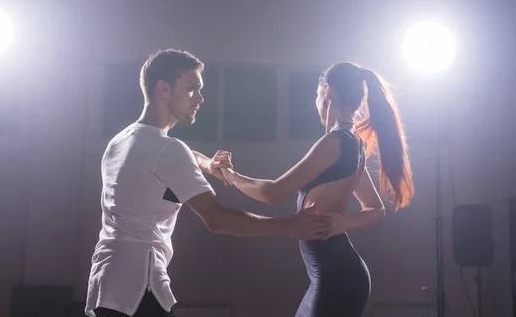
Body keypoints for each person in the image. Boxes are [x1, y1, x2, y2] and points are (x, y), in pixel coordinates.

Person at [85, 49, 331, 317]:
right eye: (192, 89)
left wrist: (207, 165)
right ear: (164, 89)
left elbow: (180, 154)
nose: (200, 98)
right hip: (138, 288)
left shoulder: (121, 141)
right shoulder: (167, 150)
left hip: (105, 285)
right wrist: (289, 225)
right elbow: (218, 219)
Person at [222, 62, 415, 317]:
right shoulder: (352, 143)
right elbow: (376, 210)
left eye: (316, 95)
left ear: (328, 91)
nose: (315, 102)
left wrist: (230, 175)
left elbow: (272, 193)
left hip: (337, 277)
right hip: (337, 275)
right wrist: (341, 224)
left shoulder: (335, 142)